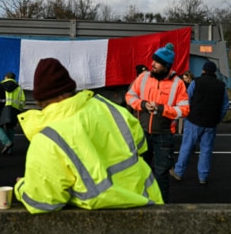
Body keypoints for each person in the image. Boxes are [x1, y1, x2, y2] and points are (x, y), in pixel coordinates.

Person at [15, 58, 162, 213]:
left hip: (100, 220)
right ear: (69, 91)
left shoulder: (48, 138)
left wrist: (21, 186)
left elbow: (43, 201)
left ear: (40, 102)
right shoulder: (106, 107)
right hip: (146, 204)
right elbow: (140, 145)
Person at [125, 42, 190, 203]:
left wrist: (161, 109)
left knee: (161, 175)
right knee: (139, 172)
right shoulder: (143, 77)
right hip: (142, 133)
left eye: (157, 62)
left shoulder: (178, 84)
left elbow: (184, 110)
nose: (152, 64)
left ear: (166, 66)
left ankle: (162, 209)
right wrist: (141, 105)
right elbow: (129, 96)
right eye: (153, 60)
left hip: (164, 136)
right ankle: (139, 203)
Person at [169, 61, 228, 184]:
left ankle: (179, 172)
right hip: (211, 123)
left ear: (203, 71)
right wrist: (218, 119)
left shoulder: (196, 82)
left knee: (186, 147)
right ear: (214, 72)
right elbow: (224, 106)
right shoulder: (221, 85)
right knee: (206, 150)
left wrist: (186, 116)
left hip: (194, 121)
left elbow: (187, 100)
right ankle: (203, 177)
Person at [0, 72, 25, 155]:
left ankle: (6, 142)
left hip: (2, 108)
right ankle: (9, 150)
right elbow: (22, 101)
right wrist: (19, 109)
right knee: (10, 128)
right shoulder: (19, 88)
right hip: (14, 109)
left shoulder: (0, 86)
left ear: (6, 77)